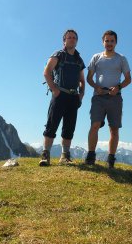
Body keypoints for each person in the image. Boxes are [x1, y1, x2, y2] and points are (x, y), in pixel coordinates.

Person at [85, 30, 131, 168]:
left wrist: (118, 87)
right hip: (98, 97)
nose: (109, 43)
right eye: (107, 41)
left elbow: (128, 79)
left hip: (115, 98)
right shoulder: (96, 57)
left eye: (112, 41)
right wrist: (96, 87)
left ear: (116, 42)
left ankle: (111, 159)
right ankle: (91, 155)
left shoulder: (121, 58)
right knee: (95, 125)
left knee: (114, 129)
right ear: (103, 42)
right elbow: (89, 78)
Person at [39, 29, 85, 166]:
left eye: (74, 37)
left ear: (76, 41)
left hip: (73, 97)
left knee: (69, 127)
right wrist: (54, 89)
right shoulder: (58, 55)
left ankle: (64, 156)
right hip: (60, 95)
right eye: (69, 37)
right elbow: (46, 72)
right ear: (64, 41)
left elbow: (82, 80)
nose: (71, 39)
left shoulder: (79, 59)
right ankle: (45, 155)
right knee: (52, 124)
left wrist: (81, 95)